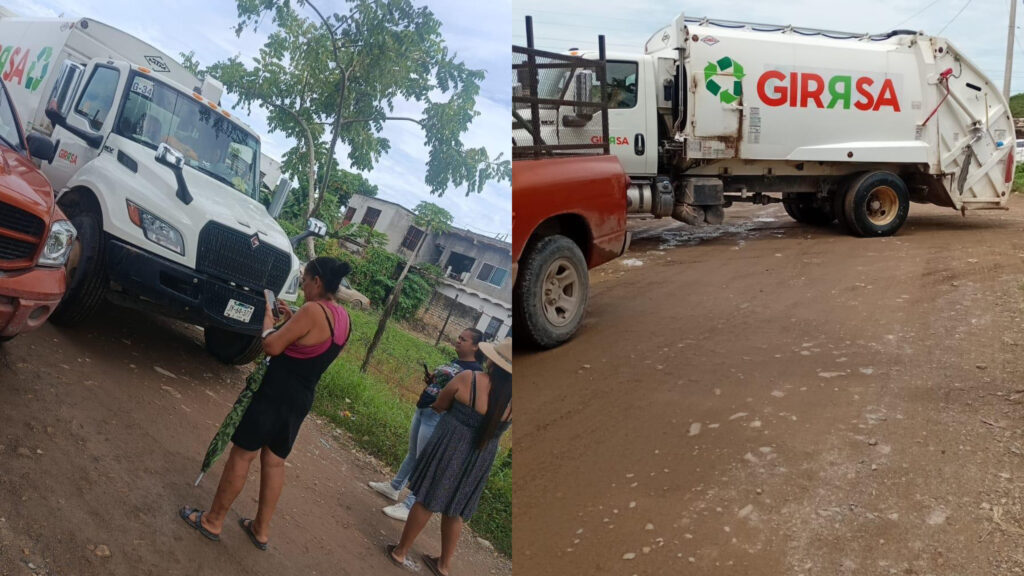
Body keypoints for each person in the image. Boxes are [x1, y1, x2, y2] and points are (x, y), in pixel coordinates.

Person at [179, 257, 353, 550]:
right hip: (301, 398)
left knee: (242, 455)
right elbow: (311, 346)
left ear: (317, 281)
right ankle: (260, 529)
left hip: (274, 393)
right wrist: (291, 322)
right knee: (274, 462)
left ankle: (213, 521)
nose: (303, 287)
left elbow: (271, 345)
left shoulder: (312, 310)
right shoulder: (344, 318)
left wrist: (269, 322)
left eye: (305, 281)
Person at [387, 338, 512, 576]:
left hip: (450, 445)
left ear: (493, 362)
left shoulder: (469, 379)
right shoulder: (514, 401)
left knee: (426, 498)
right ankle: (443, 565)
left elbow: (440, 404)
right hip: (480, 457)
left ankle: (400, 551)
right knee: (455, 509)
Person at [368, 328, 485, 522]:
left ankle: (411, 504)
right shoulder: (457, 363)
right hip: (425, 408)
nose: (458, 341)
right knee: (413, 453)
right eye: (459, 337)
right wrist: (434, 380)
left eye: (463, 339)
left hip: (437, 415)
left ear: (475, 346)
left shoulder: (474, 372)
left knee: (424, 461)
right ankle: (394, 487)